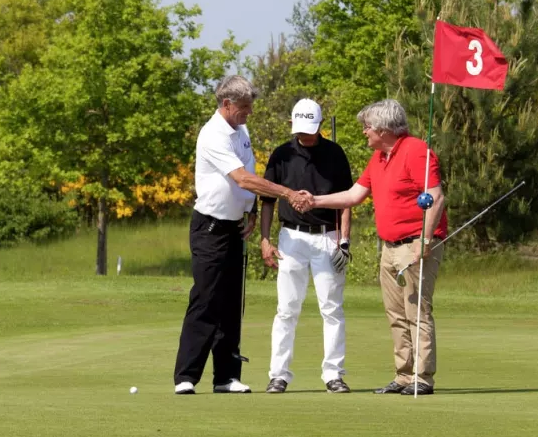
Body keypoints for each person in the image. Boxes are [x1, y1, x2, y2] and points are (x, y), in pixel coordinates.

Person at [174, 75, 313, 394]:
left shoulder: (241, 129)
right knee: (206, 299)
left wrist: (251, 212)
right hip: (210, 226)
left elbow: (248, 172)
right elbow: (242, 178)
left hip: (235, 226)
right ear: (227, 105)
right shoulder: (213, 135)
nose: (249, 113)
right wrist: (288, 193)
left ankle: (226, 376)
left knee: (232, 302)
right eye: (245, 108)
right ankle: (186, 376)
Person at [310, 98, 447, 394]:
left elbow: (435, 197)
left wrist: (425, 239)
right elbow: (352, 195)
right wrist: (314, 201)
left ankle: (422, 378)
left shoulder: (415, 151)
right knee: (396, 313)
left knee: (416, 311)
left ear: (384, 129)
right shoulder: (379, 158)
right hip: (389, 247)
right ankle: (403, 375)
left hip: (416, 245)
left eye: (367, 127)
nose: (364, 132)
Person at [259, 98, 355, 394]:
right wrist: (265, 239)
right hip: (291, 237)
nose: (306, 135)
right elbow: (267, 201)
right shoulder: (281, 155)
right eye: (301, 129)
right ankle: (279, 374)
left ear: (320, 125)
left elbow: (347, 201)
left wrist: (344, 241)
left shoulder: (335, 154)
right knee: (287, 308)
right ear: (293, 125)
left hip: (327, 237)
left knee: (331, 308)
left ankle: (333, 374)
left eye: (311, 130)